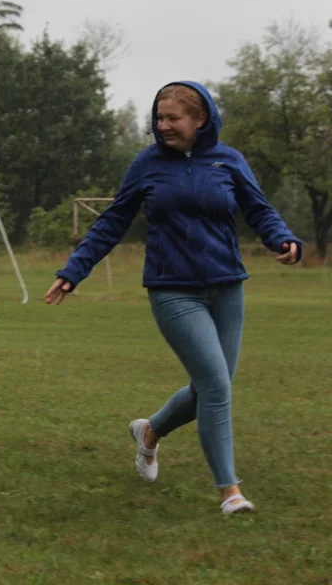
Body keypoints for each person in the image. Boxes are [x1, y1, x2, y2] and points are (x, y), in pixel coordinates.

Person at [46, 81, 301, 515]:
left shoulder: (228, 160)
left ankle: (150, 431)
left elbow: (259, 209)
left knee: (208, 390)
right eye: (159, 118)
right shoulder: (146, 165)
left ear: (200, 120)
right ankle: (230, 491)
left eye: (172, 118)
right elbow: (112, 222)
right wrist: (74, 271)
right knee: (217, 386)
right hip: (171, 289)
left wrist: (283, 239)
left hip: (226, 287)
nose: (162, 126)